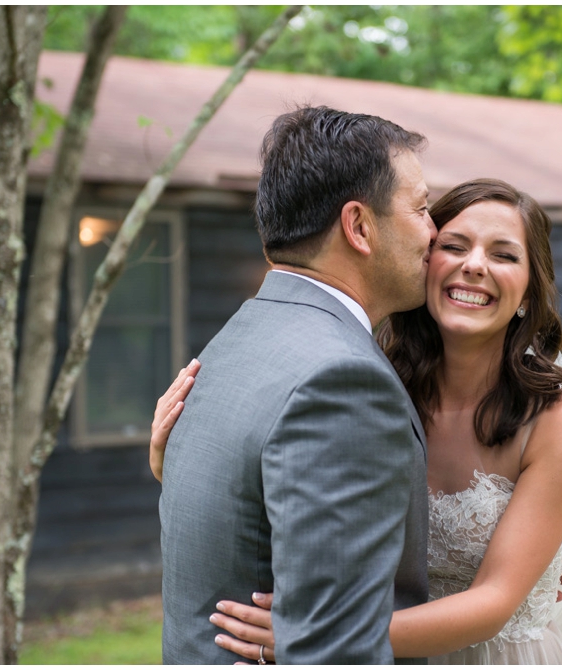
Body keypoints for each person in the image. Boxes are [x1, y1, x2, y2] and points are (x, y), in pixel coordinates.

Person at [152, 179, 562, 664]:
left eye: (504, 255)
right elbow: (294, 498)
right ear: (426, 261)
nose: (475, 266)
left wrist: (319, 634)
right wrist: (171, 461)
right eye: (455, 246)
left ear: (529, 293)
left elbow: (493, 602)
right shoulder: (365, 384)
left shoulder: (560, 422)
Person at [158, 106, 435, 664]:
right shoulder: (343, 381)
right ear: (359, 226)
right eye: (423, 208)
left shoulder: (235, 340)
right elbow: (336, 650)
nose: (435, 232)